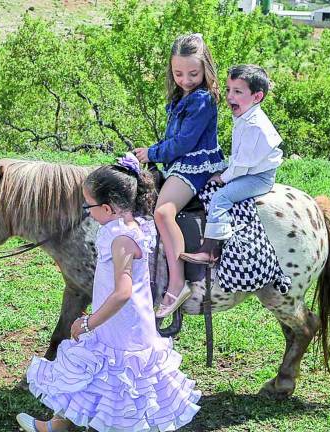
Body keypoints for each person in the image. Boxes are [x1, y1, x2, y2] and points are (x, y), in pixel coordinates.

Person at [16, 153, 201, 432]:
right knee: (89, 371)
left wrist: (89, 321)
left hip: (123, 328)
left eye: (89, 205)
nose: (87, 211)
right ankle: (57, 425)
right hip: (114, 321)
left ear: (110, 207)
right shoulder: (127, 225)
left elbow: (122, 292)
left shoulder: (121, 239)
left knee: (117, 384)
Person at [134, 33, 225, 318]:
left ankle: (177, 282)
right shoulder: (182, 96)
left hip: (193, 166)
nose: (185, 79)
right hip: (179, 163)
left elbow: (184, 144)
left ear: (205, 69)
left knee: (163, 212)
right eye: (178, 73)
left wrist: (152, 152)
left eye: (193, 73)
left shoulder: (201, 100)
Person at [179, 64, 283, 265]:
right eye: (228, 90)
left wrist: (223, 177)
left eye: (237, 91)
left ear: (257, 97)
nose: (230, 97)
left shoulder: (253, 125)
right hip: (250, 169)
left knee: (221, 196)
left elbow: (242, 165)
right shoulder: (246, 116)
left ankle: (210, 250)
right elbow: (240, 157)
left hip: (258, 177)